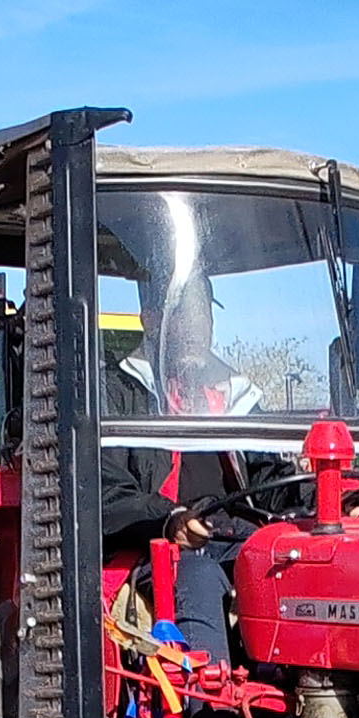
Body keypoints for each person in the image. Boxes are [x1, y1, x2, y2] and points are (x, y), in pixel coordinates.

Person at [100, 271, 264, 663]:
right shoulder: (117, 392)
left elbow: (268, 475)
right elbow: (102, 489)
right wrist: (168, 517)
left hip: (233, 533)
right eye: (183, 313)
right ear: (151, 319)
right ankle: (211, 717)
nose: (197, 326)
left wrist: (331, 493)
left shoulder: (233, 395)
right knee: (199, 576)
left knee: (283, 563)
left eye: (203, 313)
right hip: (156, 543)